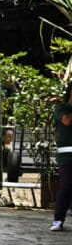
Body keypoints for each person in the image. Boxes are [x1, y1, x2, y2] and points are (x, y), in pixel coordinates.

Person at [51, 84, 72, 231]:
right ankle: (58, 220)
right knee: (66, 186)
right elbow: (66, 121)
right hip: (67, 156)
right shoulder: (62, 108)